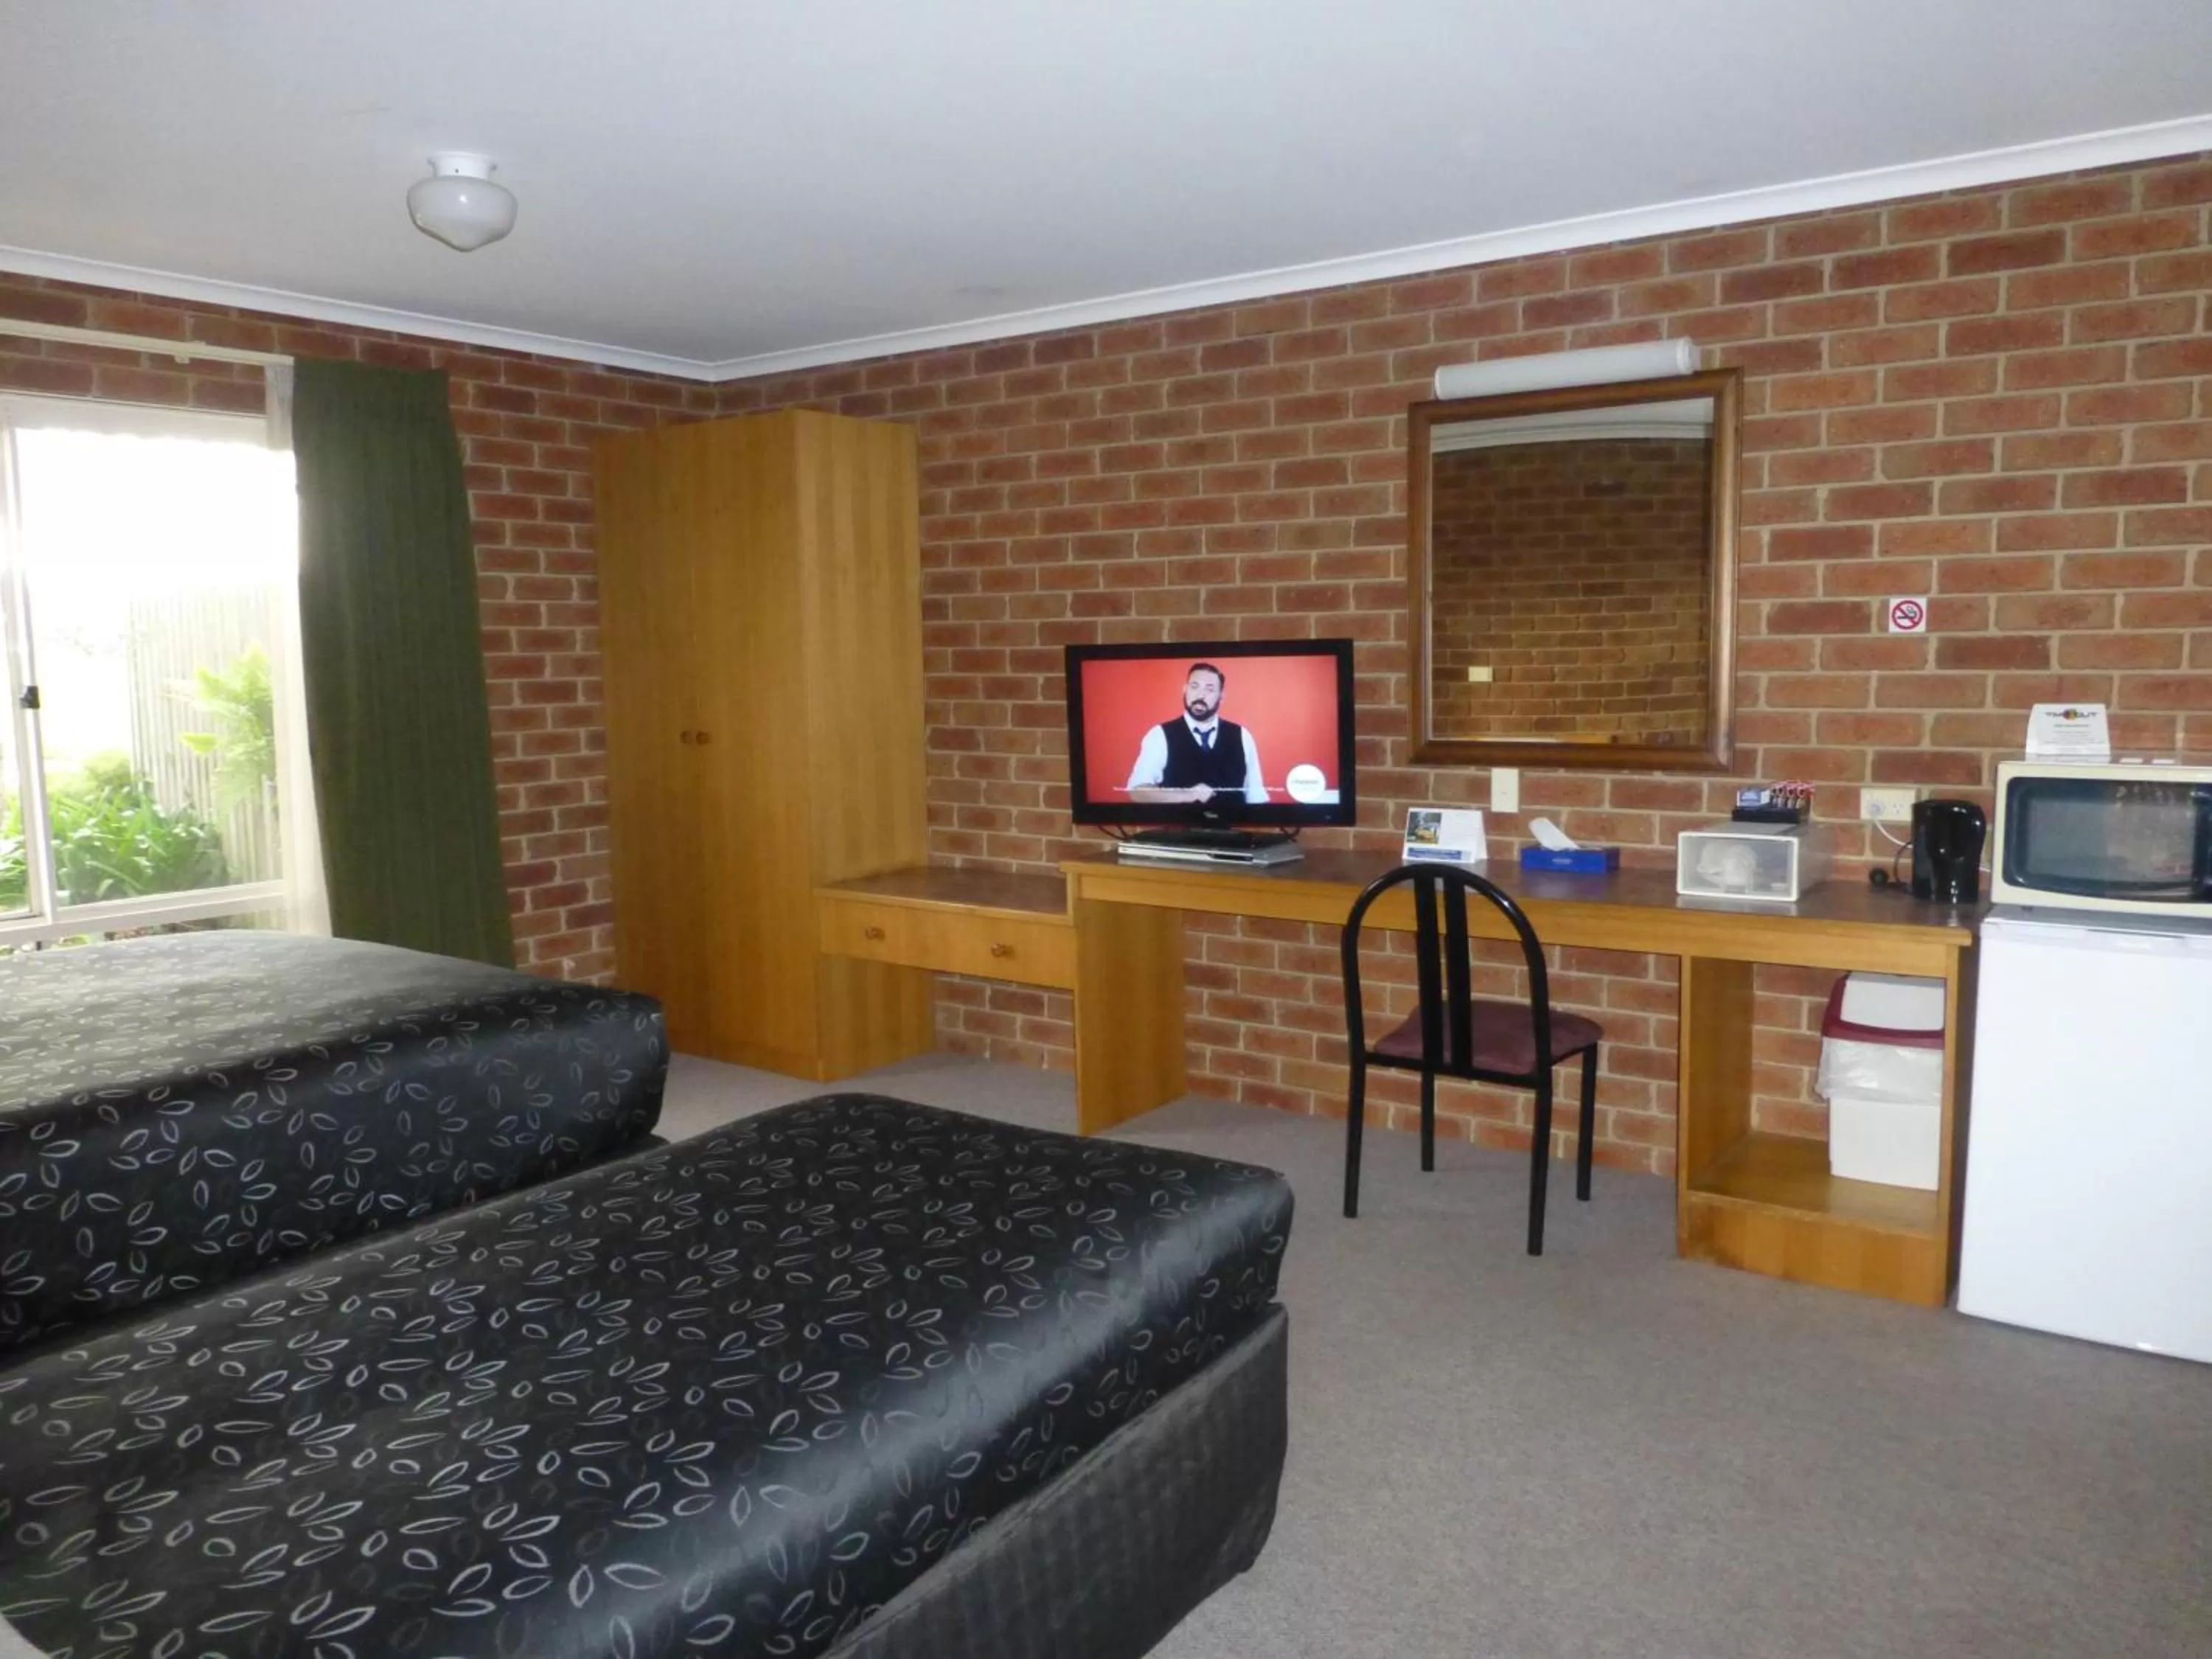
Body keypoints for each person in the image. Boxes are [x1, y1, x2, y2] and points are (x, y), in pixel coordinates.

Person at [1124, 661, 1269, 804]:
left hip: (1230, 827)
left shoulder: (1242, 736)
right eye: (1194, 687)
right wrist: (1186, 795)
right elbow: (1137, 792)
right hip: (1177, 828)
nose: (1200, 695)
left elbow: (1256, 796)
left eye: (1210, 689)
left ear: (1221, 696)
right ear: (1185, 690)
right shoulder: (1159, 735)